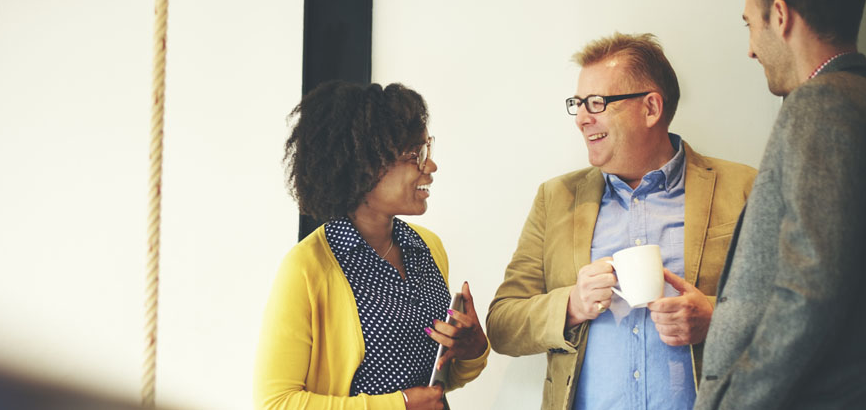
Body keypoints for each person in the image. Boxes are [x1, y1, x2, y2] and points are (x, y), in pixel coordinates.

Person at [695, 0, 866, 409]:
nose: (750, 49)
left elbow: (809, 289)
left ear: (779, 15)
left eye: (750, 25)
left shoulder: (819, 106)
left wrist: (735, 401)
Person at [487, 33, 756, 409]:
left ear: (650, 108)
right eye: (578, 104)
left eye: (597, 103)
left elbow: (790, 309)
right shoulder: (556, 198)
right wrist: (572, 305)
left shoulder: (744, 188)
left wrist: (716, 317)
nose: (582, 119)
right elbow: (502, 325)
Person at [254, 81, 489, 410]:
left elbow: (434, 380)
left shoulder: (428, 248)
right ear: (364, 167)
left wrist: (472, 350)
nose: (430, 166)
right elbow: (276, 403)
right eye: (415, 155)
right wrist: (399, 405)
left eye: (427, 150)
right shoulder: (307, 268)